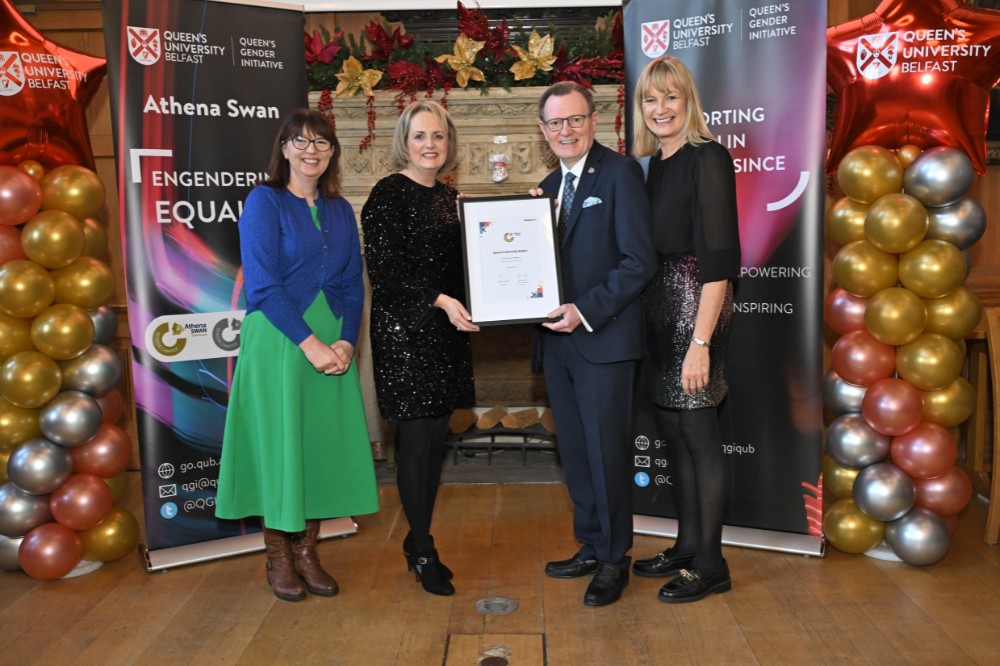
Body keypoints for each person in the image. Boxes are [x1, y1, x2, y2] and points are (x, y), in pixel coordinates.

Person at [216, 109, 379, 602]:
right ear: (284, 149)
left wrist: (347, 341)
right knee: (278, 445)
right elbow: (263, 285)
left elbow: (353, 284)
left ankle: (308, 551)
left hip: (333, 342)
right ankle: (277, 556)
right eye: (301, 142)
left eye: (322, 144)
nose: (312, 151)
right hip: (282, 341)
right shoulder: (264, 201)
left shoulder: (339, 210)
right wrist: (312, 346)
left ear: (332, 153)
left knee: (315, 446)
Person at [534, 81, 656, 607]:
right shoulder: (544, 187)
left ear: (593, 121)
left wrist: (585, 311)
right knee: (577, 453)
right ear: (543, 132)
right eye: (555, 123)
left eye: (574, 120)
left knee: (606, 454)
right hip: (556, 345)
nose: (565, 130)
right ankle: (591, 542)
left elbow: (639, 262)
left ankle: (614, 560)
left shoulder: (621, 173)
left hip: (603, 339)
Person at [628, 56, 741, 603]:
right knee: (674, 434)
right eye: (651, 99)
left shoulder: (708, 157)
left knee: (699, 435)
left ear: (688, 101)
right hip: (658, 310)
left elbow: (718, 260)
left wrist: (700, 342)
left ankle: (713, 563)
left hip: (697, 306)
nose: (661, 108)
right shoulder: (655, 166)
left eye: (671, 97)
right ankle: (689, 543)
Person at [361, 100, 478, 597]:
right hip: (406, 334)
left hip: (447, 331)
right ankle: (424, 549)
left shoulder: (451, 199)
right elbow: (386, 275)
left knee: (434, 443)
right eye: (420, 136)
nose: (430, 145)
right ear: (404, 143)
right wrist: (441, 301)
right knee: (414, 443)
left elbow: (473, 265)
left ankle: (418, 538)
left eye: (439, 137)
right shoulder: (387, 194)